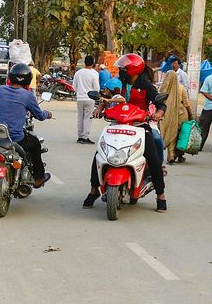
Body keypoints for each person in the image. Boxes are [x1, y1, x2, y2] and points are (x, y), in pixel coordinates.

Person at [84, 53, 168, 212]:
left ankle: (160, 195)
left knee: (153, 158)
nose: (120, 71)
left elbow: (161, 104)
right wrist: (99, 109)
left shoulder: (146, 85)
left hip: (139, 126)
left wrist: (158, 113)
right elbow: (105, 97)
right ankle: (94, 190)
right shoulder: (118, 82)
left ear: (132, 70)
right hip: (117, 124)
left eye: (123, 69)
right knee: (99, 155)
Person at [0, 63, 53, 188]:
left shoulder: (0, 90)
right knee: (35, 144)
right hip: (16, 138)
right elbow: (40, 116)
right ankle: (38, 178)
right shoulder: (28, 95)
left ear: (10, 77)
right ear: (28, 79)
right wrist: (47, 114)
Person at [159, 70, 193, 164]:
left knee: (170, 133)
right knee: (179, 134)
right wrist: (190, 115)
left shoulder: (162, 89)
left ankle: (171, 155)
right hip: (181, 114)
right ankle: (179, 155)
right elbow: (186, 103)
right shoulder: (181, 88)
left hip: (167, 114)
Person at [73, 54, 100, 144]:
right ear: (93, 63)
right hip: (90, 98)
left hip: (80, 98)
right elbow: (96, 88)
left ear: (84, 62)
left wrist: (79, 93)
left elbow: (74, 86)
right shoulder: (94, 73)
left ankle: (80, 136)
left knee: (80, 117)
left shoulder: (78, 73)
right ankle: (85, 137)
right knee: (87, 118)